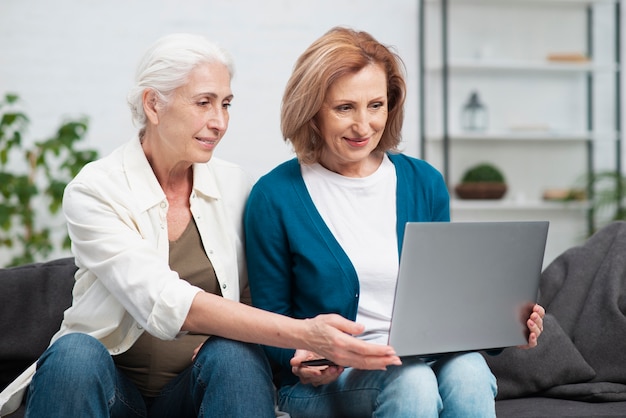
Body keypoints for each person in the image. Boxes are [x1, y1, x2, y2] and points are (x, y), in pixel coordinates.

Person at [11, 33, 401, 418]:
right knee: (75, 353)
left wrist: (302, 353)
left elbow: (256, 295)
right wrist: (304, 332)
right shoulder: (95, 190)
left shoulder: (238, 187)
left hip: (196, 388)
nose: (219, 122)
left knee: (235, 352)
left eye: (226, 104)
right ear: (153, 104)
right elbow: (163, 299)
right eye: (203, 103)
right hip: (112, 389)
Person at [244, 27, 546, 418]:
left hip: (420, 359)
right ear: (312, 111)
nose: (364, 125)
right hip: (327, 381)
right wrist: (299, 357)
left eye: (376, 105)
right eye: (344, 108)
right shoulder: (274, 195)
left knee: (470, 370)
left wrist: (506, 323)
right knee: (411, 379)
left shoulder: (424, 182)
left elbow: (446, 297)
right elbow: (270, 316)